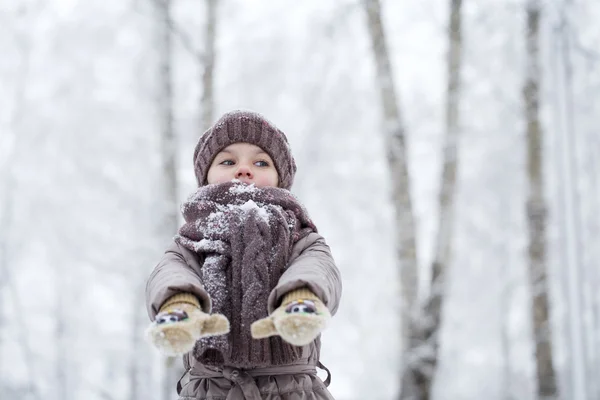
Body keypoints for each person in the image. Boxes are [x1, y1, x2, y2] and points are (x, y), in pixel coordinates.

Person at [145, 110, 342, 399]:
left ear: (280, 179)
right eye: (228, 161)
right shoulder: (191, 240)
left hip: (292, 390)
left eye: (260, 162)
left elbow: (318, 268)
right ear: (206, 177)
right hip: (210, 391)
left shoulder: (300, 235)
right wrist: (180, 302)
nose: (244, 169)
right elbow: (170, 272)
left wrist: (301, 297)